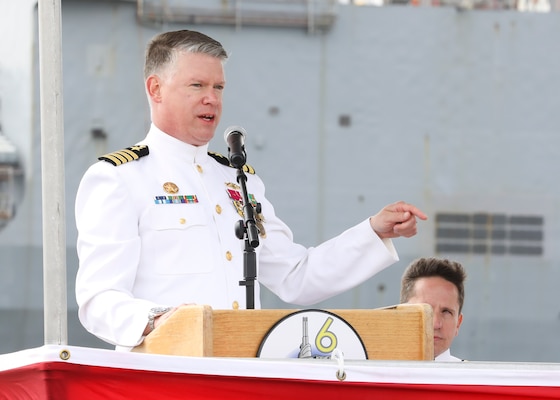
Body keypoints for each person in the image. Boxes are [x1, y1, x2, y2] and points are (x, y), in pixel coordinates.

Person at [74, 29, 428, 350]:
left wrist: (372, 232)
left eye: (219, 88)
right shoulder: (120, 178)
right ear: (156, 89)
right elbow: (98, 300)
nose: (212, 99)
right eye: (197, 86)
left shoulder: (237, 179)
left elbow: (296, 276)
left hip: (243, 374)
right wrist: (159, 319)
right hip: (165, 376)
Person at [400, 257, 467, 362]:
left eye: (446, 312)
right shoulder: (375, 374)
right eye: (425, 310)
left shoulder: (472, 378)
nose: (436, 324)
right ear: (401, 316)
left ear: (458, 323)